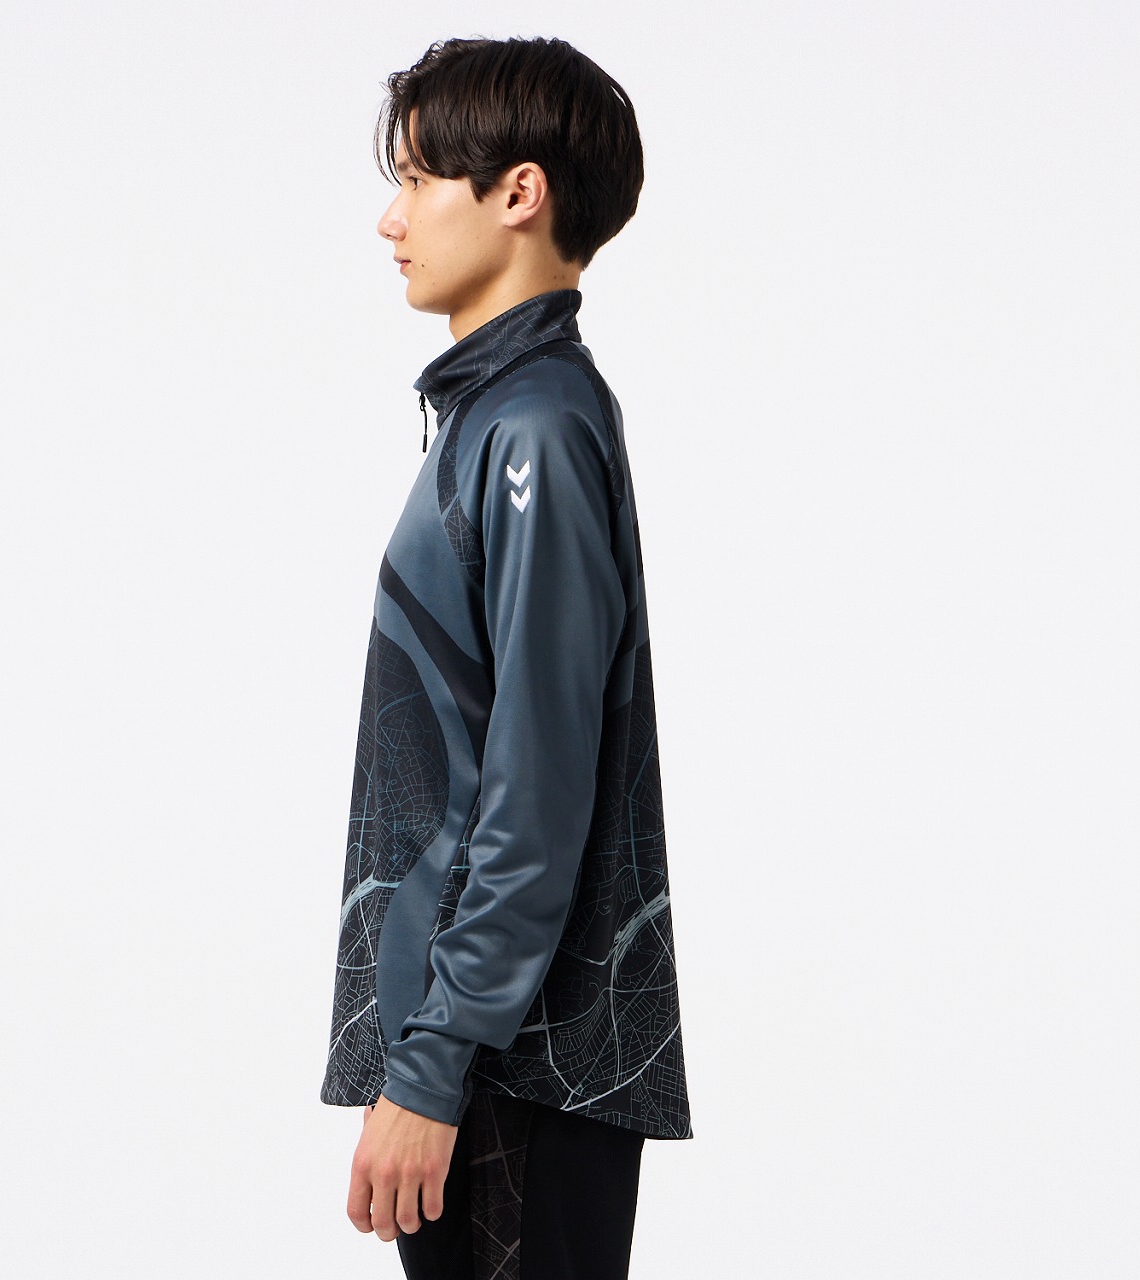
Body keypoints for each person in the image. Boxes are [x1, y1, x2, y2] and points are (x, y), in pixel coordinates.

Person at [320, 35, 694, 1280]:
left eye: (418, 179)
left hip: (509, 1064)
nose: (391, 219)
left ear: (517, 192)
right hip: (488, 1049)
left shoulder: (532, 426)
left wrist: (429, 1067)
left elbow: (535, 785)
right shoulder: (498, 416)